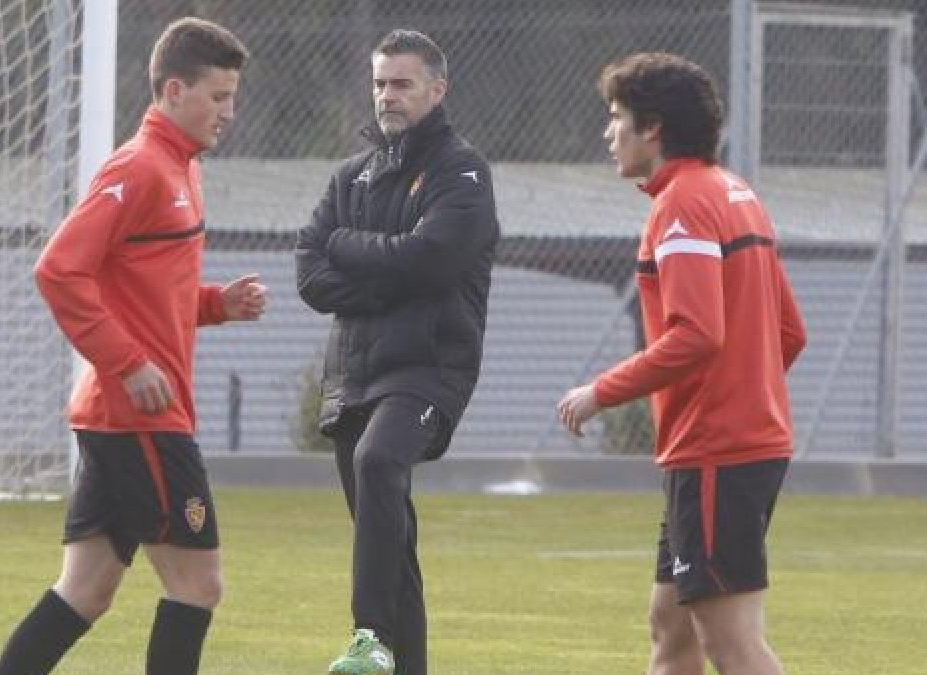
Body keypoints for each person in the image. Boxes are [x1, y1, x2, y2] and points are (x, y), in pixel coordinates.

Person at [0, 18, 266, 675]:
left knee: (84, 591)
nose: (230, 111)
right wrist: (130, 362)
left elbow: (145, 293)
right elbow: (58, 269)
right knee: (198, 584)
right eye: (218, 96)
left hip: (117, 414)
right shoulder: (139, 167)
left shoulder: (182, 168)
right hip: (138, 414)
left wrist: (214, 305)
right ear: (175, 90)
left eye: (233, 96)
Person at [556, 52, 806, 675]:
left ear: (654, 128)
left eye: (617, 118)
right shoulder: (735, 193)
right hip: (730, 446)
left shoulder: (683, 205)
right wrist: (745, 394)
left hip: (718, 451)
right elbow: (788, 334)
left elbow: (696, 334)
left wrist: (602, 391)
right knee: (671, 631)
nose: (608, 133)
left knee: (732, 644)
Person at [295, 29, 499, 675]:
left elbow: (432, 260)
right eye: (381, 82)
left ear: (436, 90)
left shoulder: (461, 171)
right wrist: (387, 270)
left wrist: (351, 252)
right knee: (392, 548)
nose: (388, 95)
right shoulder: (350, 175)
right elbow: (307, 271)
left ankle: (366, 637)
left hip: (428, 369)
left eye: (402, 83)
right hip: (353, 373)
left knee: (379, 460)